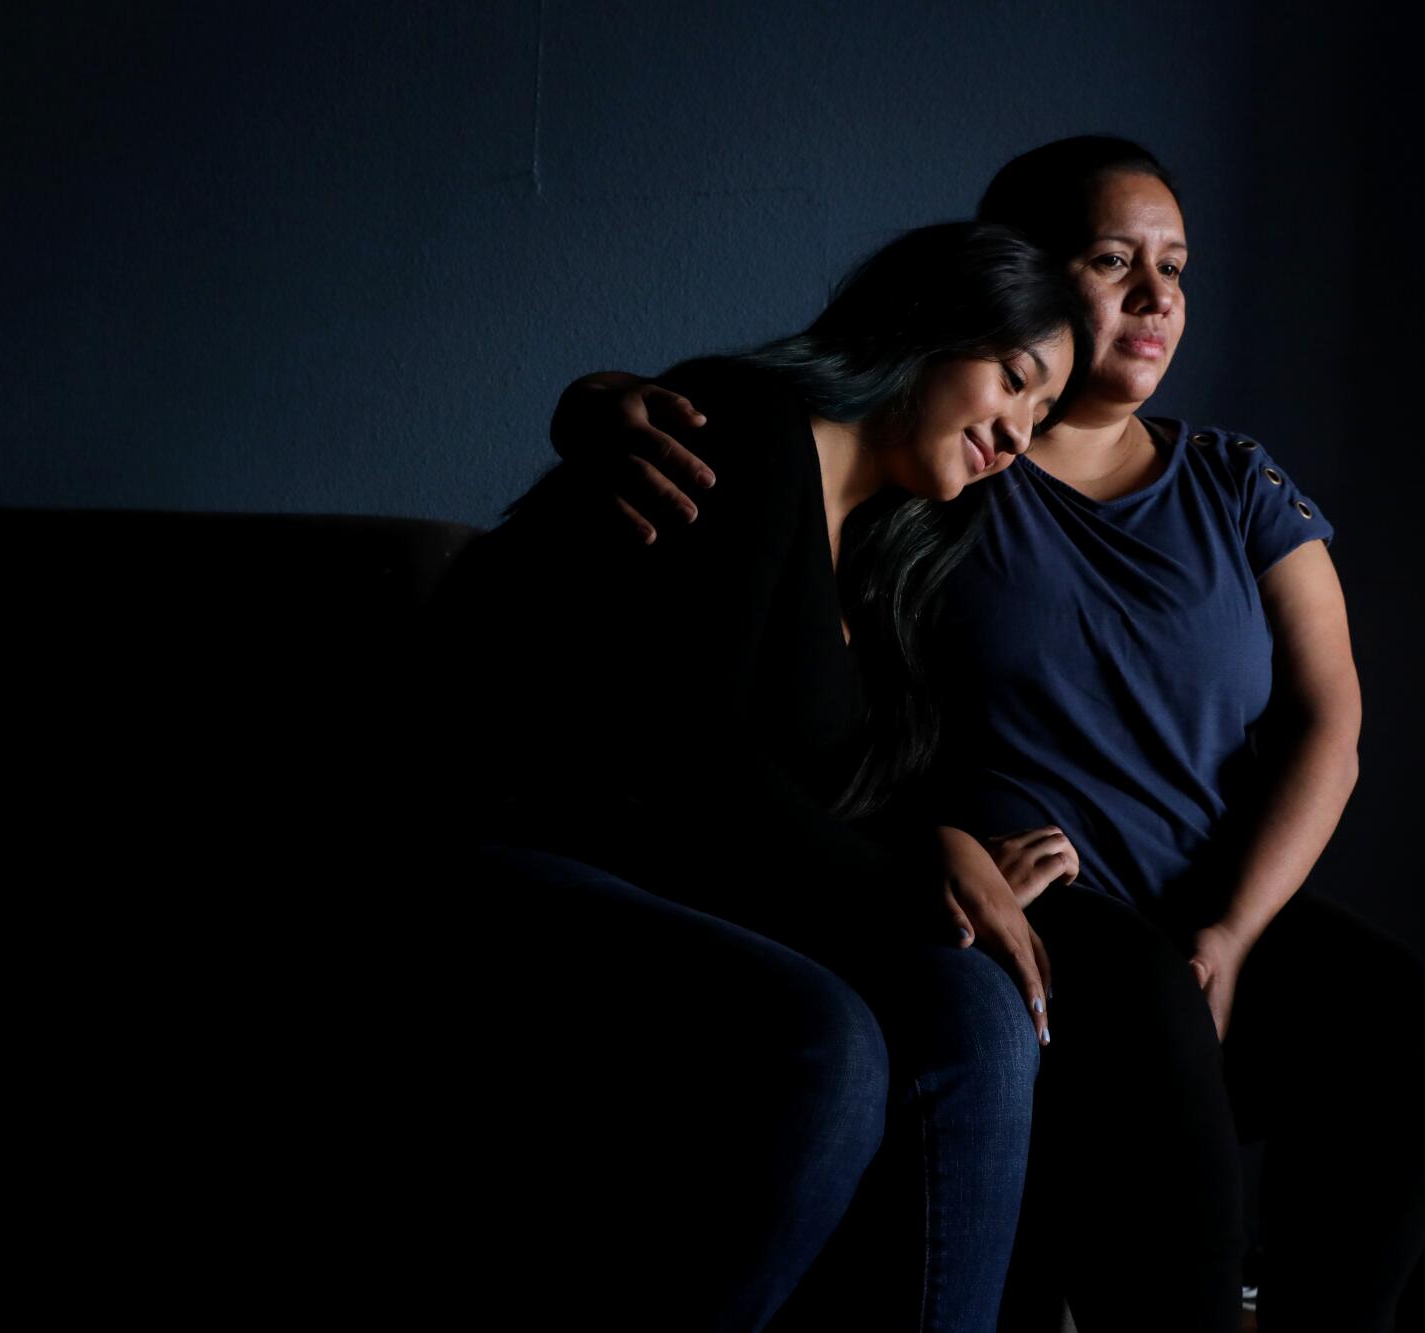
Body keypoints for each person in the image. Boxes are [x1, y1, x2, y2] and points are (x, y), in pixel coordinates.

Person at [547, 137, 1425, 1333]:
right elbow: (778, 452)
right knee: (1131, 1001)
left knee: (1418, 1036)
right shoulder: (945, 466)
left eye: (1175, 267)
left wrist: (1235, 930)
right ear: (1019, 279)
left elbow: (1329, 717)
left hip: (1206, 895)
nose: (1156, 297)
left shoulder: (1233, 480)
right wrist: (603, 401)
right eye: (1111, 261)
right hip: (1038, 898)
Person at [416, 221, 1087, 1333]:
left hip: (675, 876)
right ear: (926, 330)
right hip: (521, 847)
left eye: (1038, 418)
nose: (1016, 433)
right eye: (1013, 380)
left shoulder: (877, 558)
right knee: (828, 1041)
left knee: (975, 1000)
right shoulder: (746, 428)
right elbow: (685, 753)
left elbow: (810, 793)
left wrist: (943, 844)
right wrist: (911, 877)